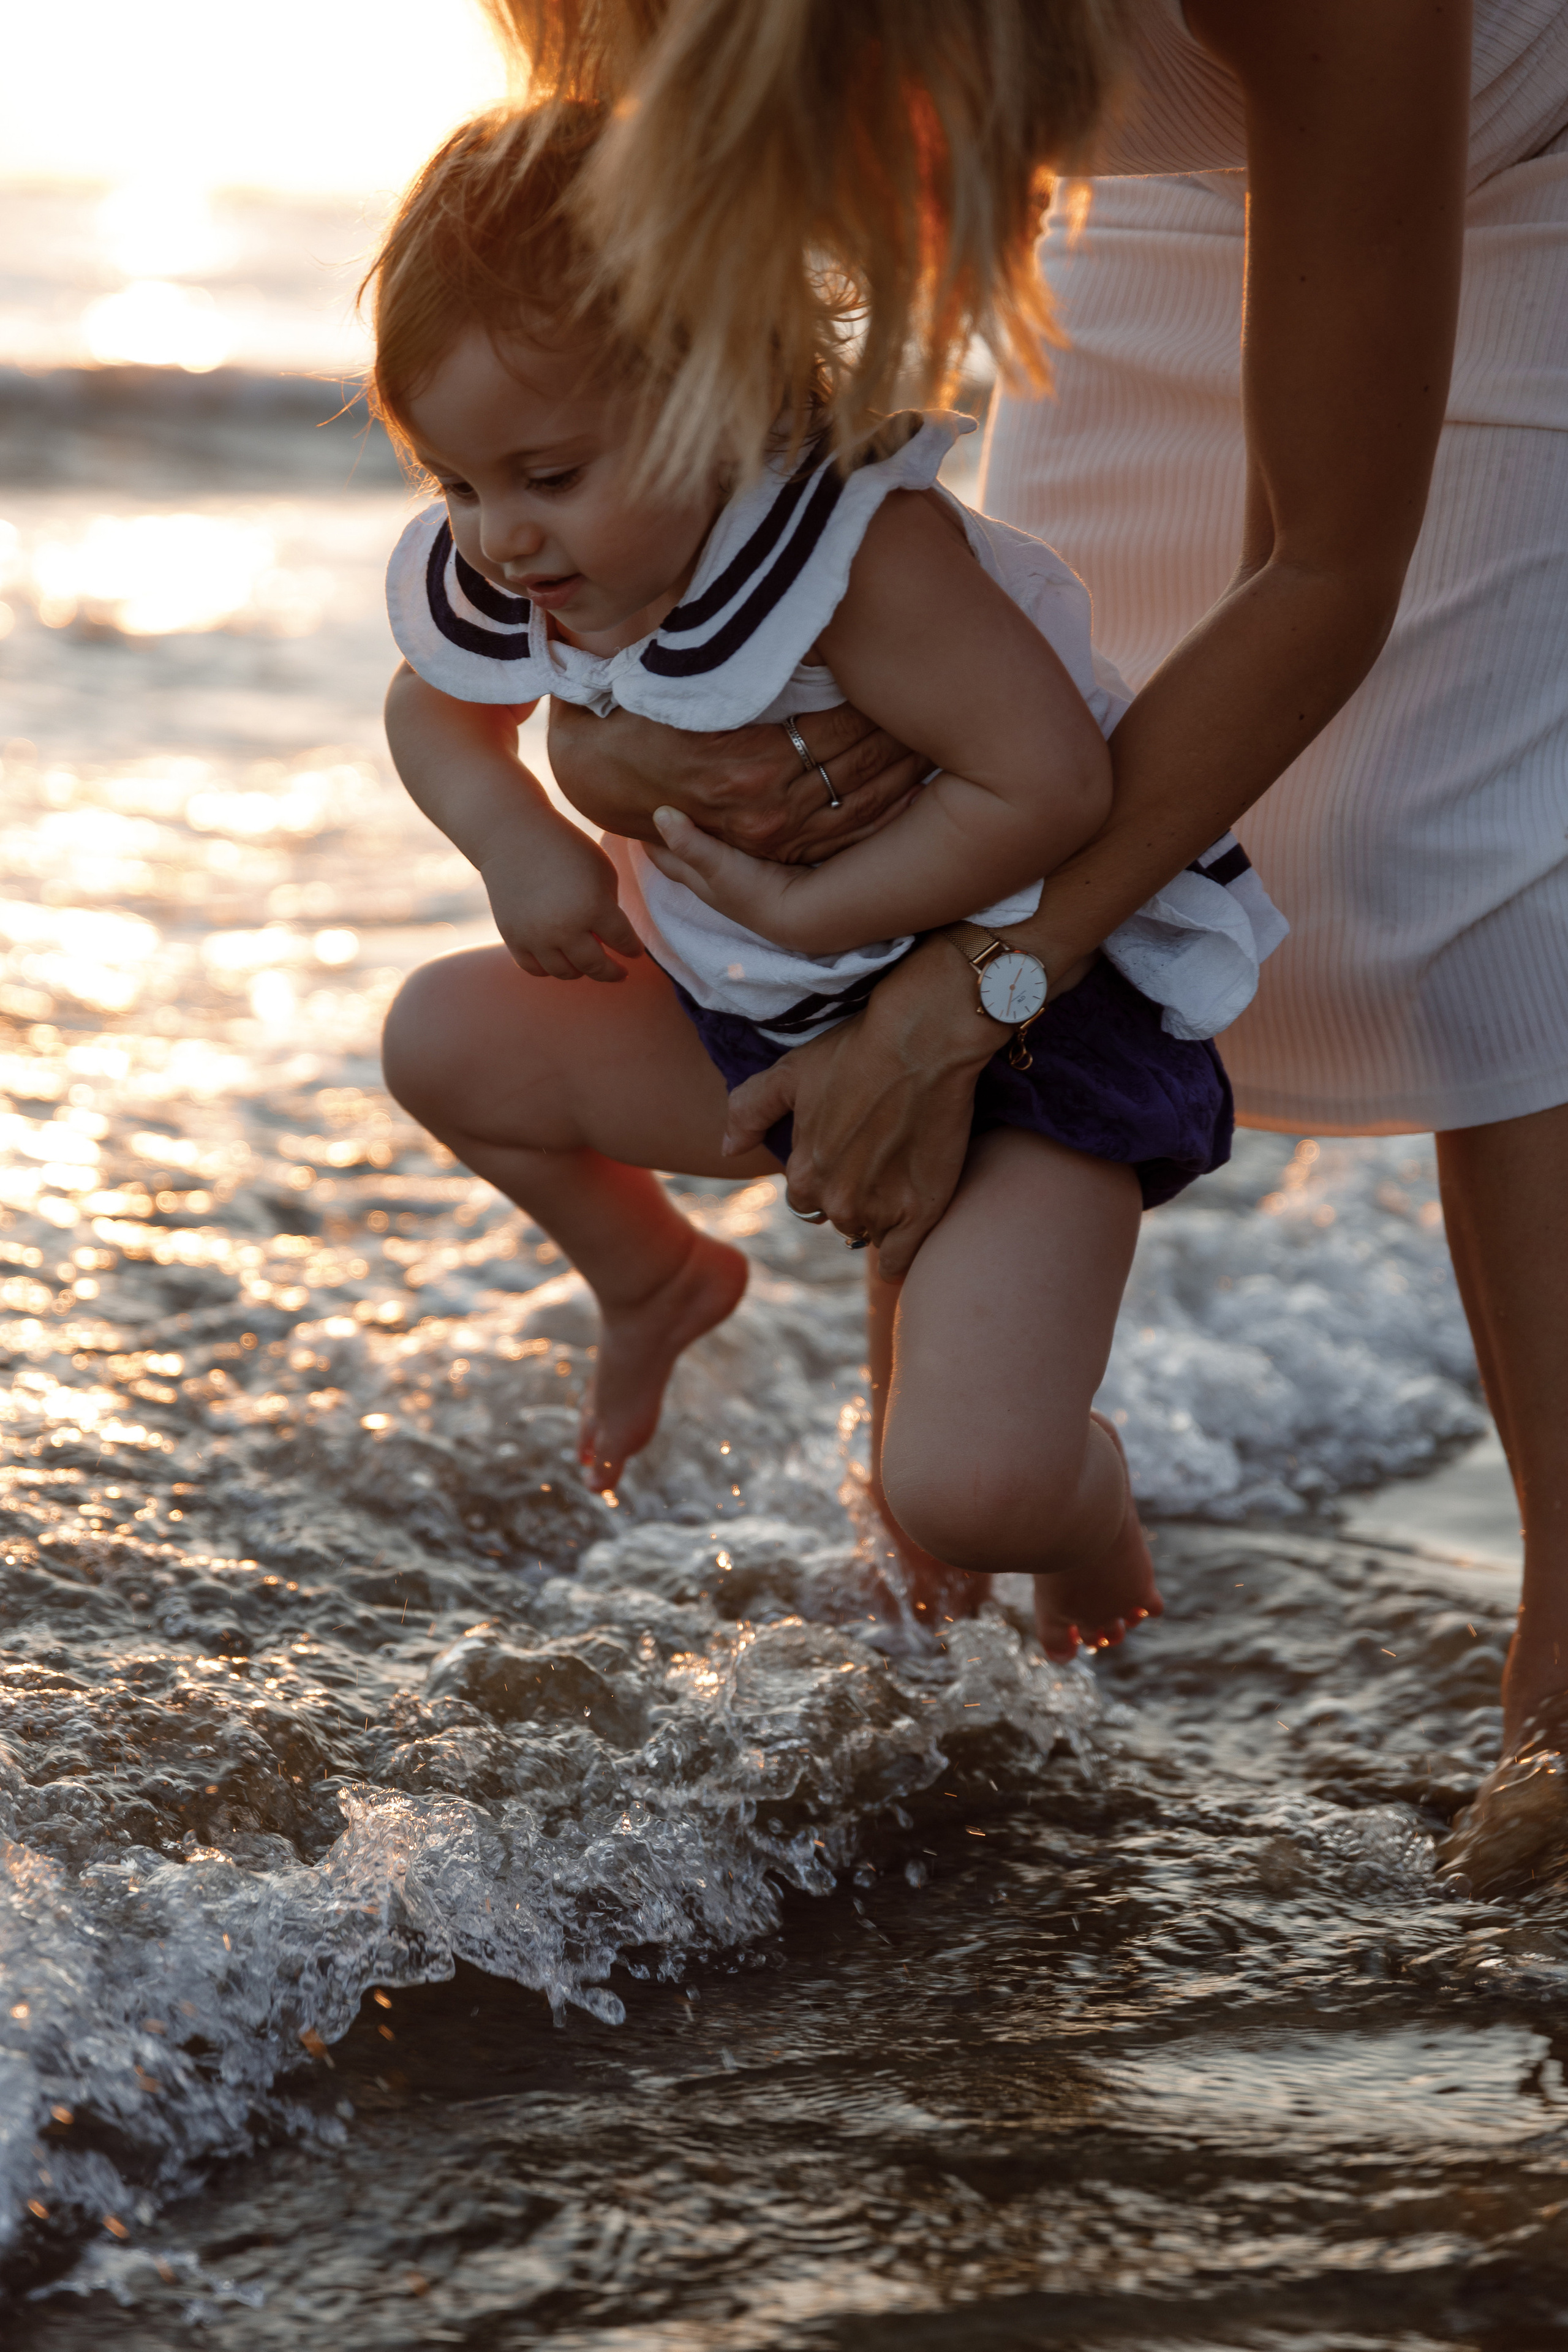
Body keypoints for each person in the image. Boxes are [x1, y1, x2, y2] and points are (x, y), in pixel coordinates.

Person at [475, 1, 1568, 1762]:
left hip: (1527, 161)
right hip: (1157, 190)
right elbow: (645, 479)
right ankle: (924, 1632)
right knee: (935, 733)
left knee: (1449, 889)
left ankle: (1564, 1701)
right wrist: (615, 760)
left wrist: (968, 993)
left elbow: (1322, 568)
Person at [369, 104, 1286, 1657]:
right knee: (441, 1040)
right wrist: (513, 832)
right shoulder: (553, 544)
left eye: (546, 475)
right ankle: (653, 1277)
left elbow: (1050, 783)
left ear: (721, 394)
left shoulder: (864, 557)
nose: (499, 535)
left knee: (966, 1488)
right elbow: (436, 705)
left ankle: (1092, 1522)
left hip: (1031, 1030)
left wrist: (815, 913)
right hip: (756, 1022)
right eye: (454, 484)